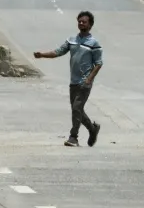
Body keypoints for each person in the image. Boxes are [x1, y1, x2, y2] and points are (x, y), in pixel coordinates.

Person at [34, 11, 103, 147]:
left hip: (85, 82)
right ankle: (92, 129)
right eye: (79, 21)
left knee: (77, 108)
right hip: (74, 82)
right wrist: (42, 55)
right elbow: (57, 52)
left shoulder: (93, 43)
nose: (81, 23)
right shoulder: (72, 40)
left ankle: (73, 137)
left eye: (84, 22)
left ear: (90, 25)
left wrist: (89, 79)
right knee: (77, 110)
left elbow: (99, 63)